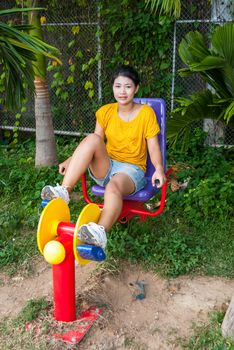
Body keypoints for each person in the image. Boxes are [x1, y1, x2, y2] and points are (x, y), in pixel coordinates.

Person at [41, 65, 166, 250]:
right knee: (93, 138)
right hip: (107, 166)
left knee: (113, 186)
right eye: (118, 86)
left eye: (128, 86)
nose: (122, 91)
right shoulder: (105, 111)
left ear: (137, 88)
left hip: (131, 171)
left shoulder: (146, 113)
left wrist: (159, 168)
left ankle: (99, 232)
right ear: (113, 87)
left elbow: (154, 147)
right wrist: (71, 160)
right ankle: (64, 191)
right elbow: (94, 142)